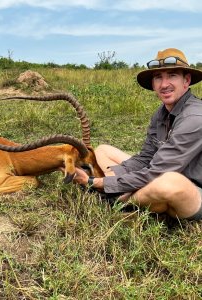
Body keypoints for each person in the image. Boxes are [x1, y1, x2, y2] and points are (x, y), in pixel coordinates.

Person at [74, 48, 202, 220]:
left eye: (172, 75)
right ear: (153, 84)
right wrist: (115, 176)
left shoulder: (195, 117)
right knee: (103, 151)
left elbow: (158, 172)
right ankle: (129, 192)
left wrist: (96, 182)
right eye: (158, 77)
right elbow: (146, 158)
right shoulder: (162, 112)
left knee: (169, 182)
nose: (164, 84)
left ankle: (120, 200)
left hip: (191, 189)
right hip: (160, 172)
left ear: (186, 80)